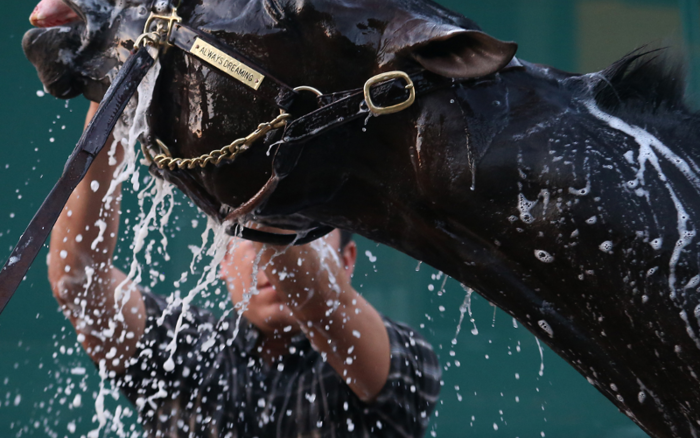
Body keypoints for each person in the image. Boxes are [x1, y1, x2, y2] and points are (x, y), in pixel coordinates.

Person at [48, 101, 442, 437]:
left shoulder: (404, 357)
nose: (263, 254)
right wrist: (110, 106)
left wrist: (258, 150)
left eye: (312, 225)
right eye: (241, 235)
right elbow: (76, 282)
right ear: (221, 260)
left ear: (346, 261)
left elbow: (320, 302)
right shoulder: (184, 348)